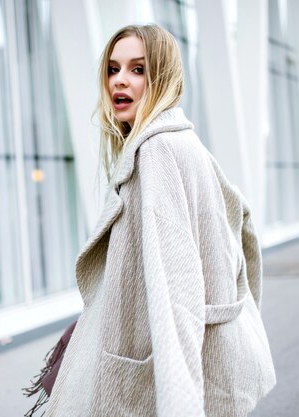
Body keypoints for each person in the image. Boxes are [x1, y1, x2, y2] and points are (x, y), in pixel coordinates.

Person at [39, 24, 276, 417]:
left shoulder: (156, 152)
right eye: (113, 69)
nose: (120, 81)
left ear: (162, 76)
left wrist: (180, 405)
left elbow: (175, 295)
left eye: (138, 69)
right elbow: (242, 232)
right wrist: (237, 320)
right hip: (207, 366)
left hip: (160, 383)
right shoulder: (185, 142)